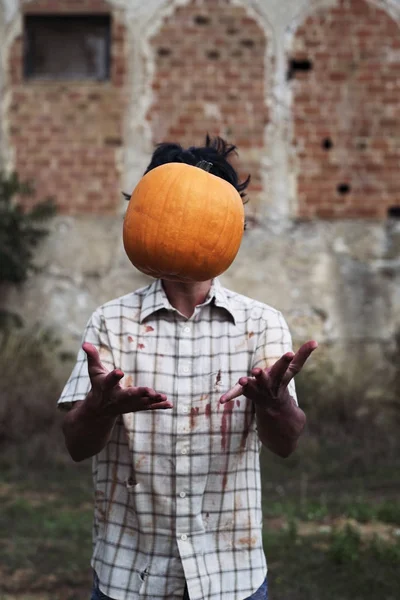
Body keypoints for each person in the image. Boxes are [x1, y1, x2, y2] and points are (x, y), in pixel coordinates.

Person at [58, 136, 317, 600]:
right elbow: (77, 446)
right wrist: (100, 408)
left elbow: (286, 443)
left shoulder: (261, 325)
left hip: (229, 576)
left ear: (228, 220)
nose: (182, 221)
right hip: (128, 573)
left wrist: (275, 405)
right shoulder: (110, 323)